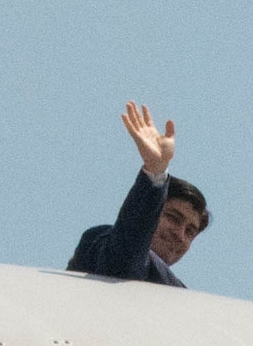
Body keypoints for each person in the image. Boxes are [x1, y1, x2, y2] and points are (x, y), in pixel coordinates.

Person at [67, 101, 209, 287]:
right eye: (173, 218)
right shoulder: (102, 243)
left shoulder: (181, 298)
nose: (180, 235)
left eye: (190, 231)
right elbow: (127, 254)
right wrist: (155, 173)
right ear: (154, 210)